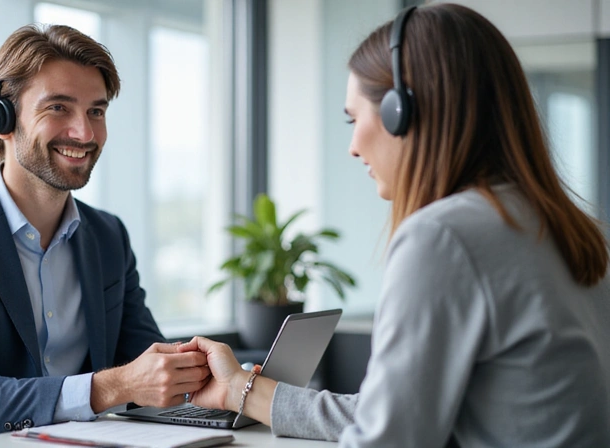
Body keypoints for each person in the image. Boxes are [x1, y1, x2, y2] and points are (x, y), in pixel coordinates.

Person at [178, 3, 610, 447]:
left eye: (353, 118)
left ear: (400, 113)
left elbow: (385, 439)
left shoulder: (446, 236)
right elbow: (388, 414)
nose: (351, 147)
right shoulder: (572, 229)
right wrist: (237, 390)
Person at [0, 24, 209, 447]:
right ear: (3, 119)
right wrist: (111, 387)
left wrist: (206, 379)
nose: (84, 133)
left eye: (96, 112)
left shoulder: (107, 235)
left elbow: (142, 363)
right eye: (58, 108)